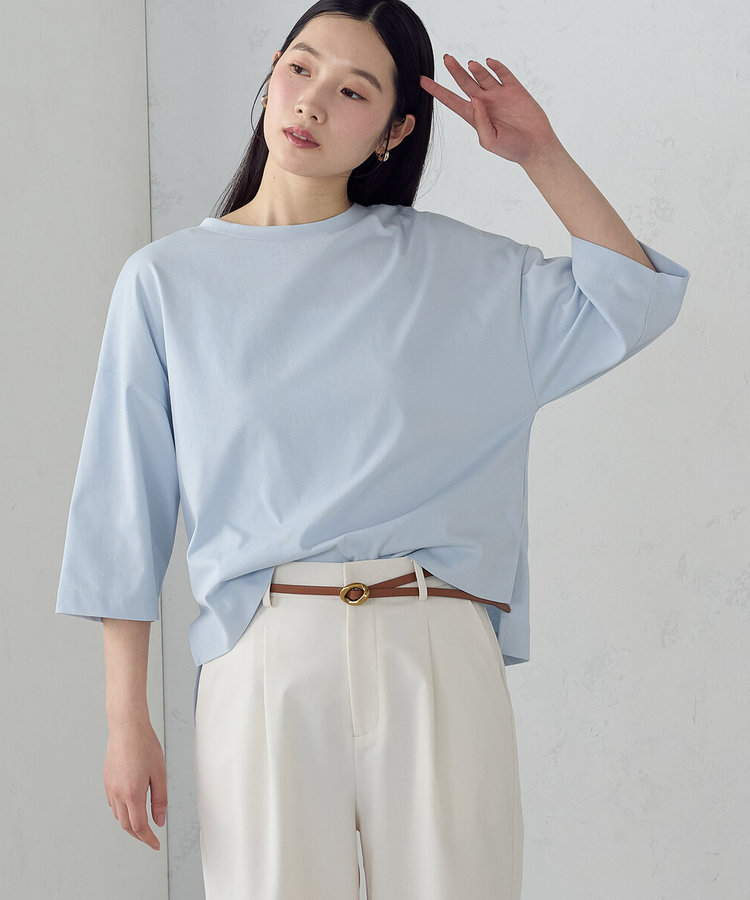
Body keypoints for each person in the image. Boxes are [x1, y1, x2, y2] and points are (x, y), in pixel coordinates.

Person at [54, 1, 691, 897]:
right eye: (301, 68)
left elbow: (634, 299)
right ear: (271, 76)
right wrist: (127, 721)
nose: (312, 102)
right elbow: (124, 509)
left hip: (432, 643)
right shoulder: (165, 282)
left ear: (395, 131)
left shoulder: (457, 270)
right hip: (262, 649)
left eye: (353, 91)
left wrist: (539, 154)